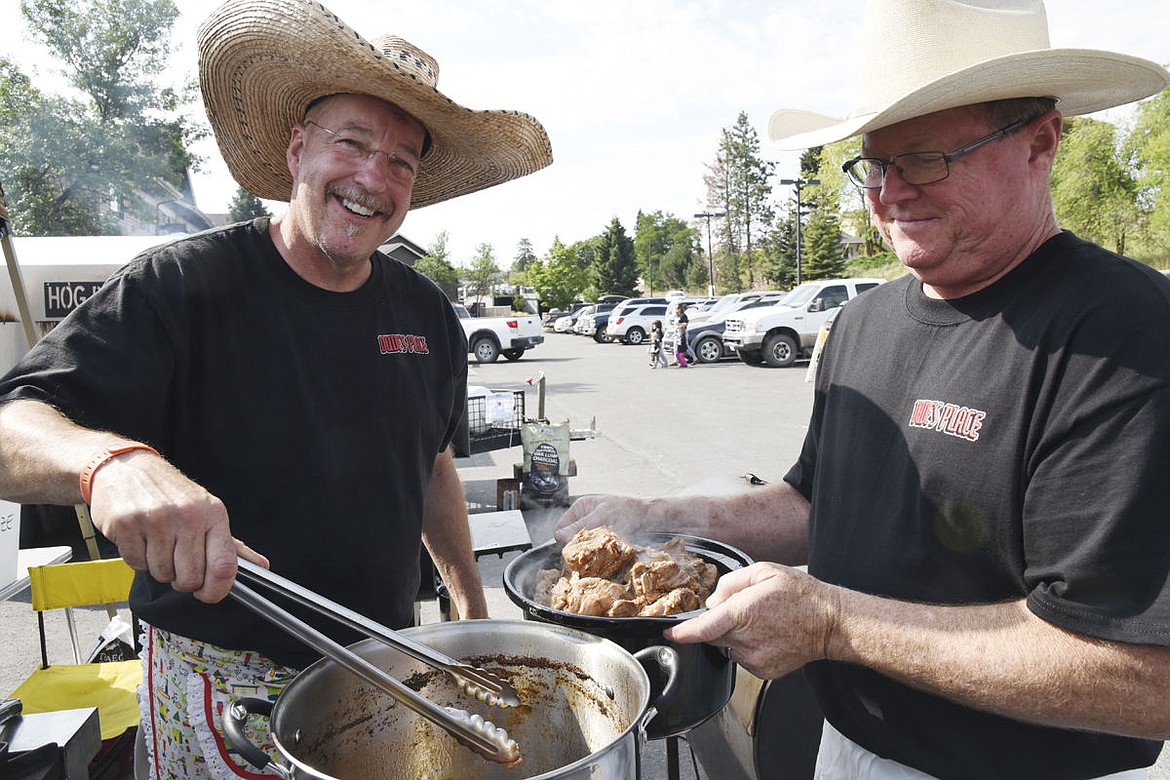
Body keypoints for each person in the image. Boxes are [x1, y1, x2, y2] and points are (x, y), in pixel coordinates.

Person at [557, 1, 1170, 778]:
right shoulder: (863, 322)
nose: (887, 194)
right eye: (873, 164)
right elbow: (819, 506)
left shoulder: (1127, 337)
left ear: (1039, 142)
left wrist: (834, 625)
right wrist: (655, 519)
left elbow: (1145, 674)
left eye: (923, 159)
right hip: (842, 750)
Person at [0, 0, 551, 775]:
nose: (373, 178)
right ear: (297, 149)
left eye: (402, 161)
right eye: (352, 143)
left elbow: (430, 468)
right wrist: (111, 463)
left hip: (381, 663)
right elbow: (11, 425)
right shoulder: (181, 285)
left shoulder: (426, 313)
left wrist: (472, 615)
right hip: (216, 685)